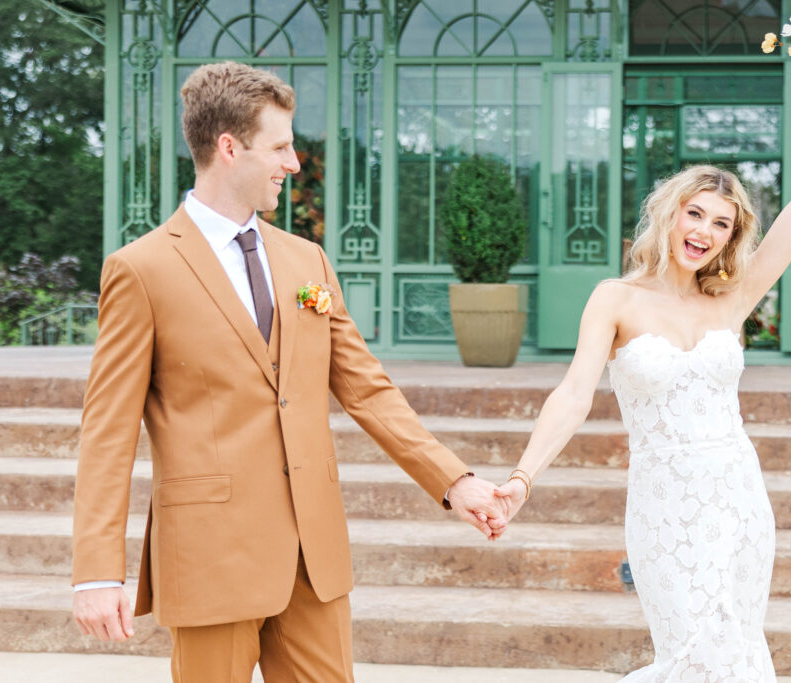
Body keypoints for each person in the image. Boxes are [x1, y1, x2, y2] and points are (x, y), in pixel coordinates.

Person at [71, 61, 507, 683]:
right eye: (279, 146)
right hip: (210, 554)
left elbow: (366, 388)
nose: (294, 163)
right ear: (228, 147)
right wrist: (96, 571)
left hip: (314, 555)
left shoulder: (307, 259)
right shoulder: (140, 270)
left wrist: (453, 481)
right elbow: (107, 433)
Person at [495, 64, 791, 681]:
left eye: (722, 224)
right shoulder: (615, 299)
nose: (705, 232)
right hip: (664, 500)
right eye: (696, 214)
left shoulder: (732, 299)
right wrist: (523, 478)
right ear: (670, 214)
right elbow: (573, 394)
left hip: (737, 494)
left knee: (736, 649)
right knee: (690, 652)